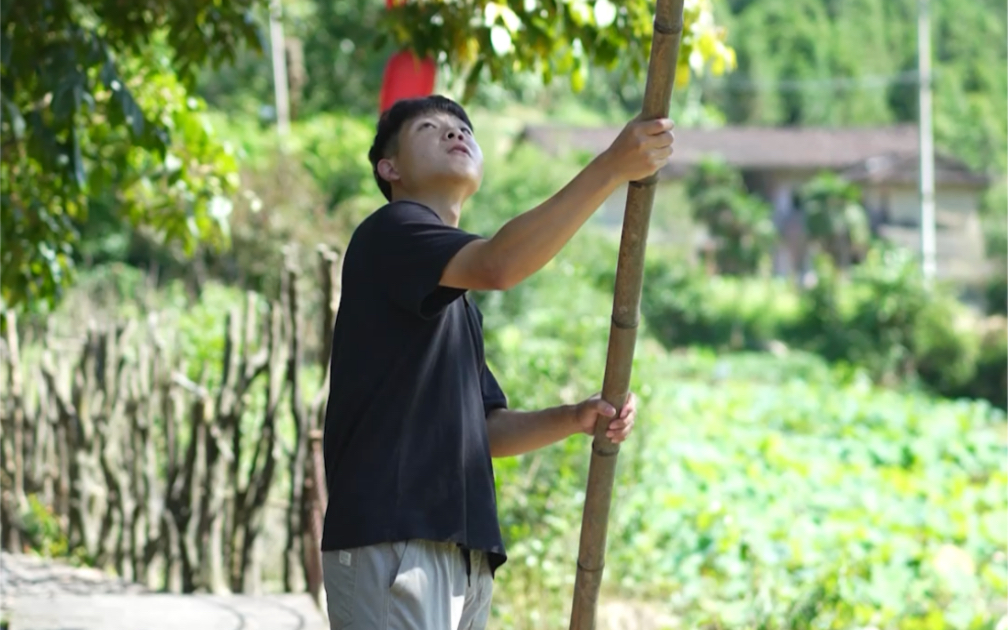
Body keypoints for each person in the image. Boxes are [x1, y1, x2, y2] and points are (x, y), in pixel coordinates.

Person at [321, 95, 675, 630]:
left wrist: (576, 418)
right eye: (429, 127)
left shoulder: (455, 299)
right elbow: (501, 262)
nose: (454, 133)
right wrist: (611, 167)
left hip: (459, 555)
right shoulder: (392, 232)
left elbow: (484, 432)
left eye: (463, 127)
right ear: (388, 169)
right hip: (393, 542)